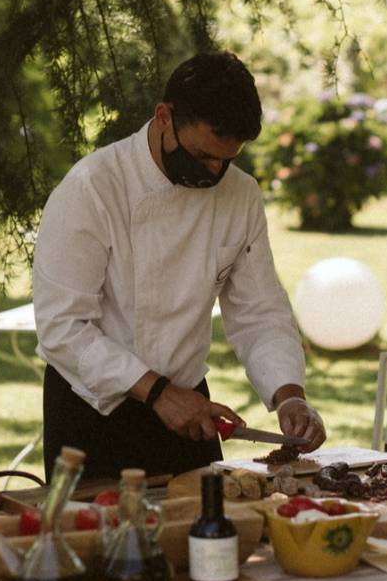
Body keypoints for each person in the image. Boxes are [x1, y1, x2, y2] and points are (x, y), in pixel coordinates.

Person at [33, 51, 326, 480]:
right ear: (164, 116)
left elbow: (259, 310)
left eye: (226, 160)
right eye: (202, 154)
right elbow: (63, 327)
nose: (213, 172)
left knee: (208, 539)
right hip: (92, 410)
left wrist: (289, 397)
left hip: (189, 411)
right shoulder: (92, 187)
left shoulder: (240, 196)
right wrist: (159, 394)